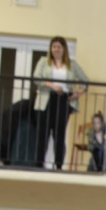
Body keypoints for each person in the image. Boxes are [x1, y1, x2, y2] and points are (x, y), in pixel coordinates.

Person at [33, 36, 88, 170]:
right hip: (46, 100)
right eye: (54, 47)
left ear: (64, 49)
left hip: (63, 100)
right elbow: (36, 78)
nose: (56, 49)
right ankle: (39, 164)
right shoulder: (43, 62)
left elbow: (85, 81)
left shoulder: (72, 64)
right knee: (43, 134)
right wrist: (51, 85)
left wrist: (78, 93)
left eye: (59, 47)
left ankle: (58, 165)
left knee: (59, 134)